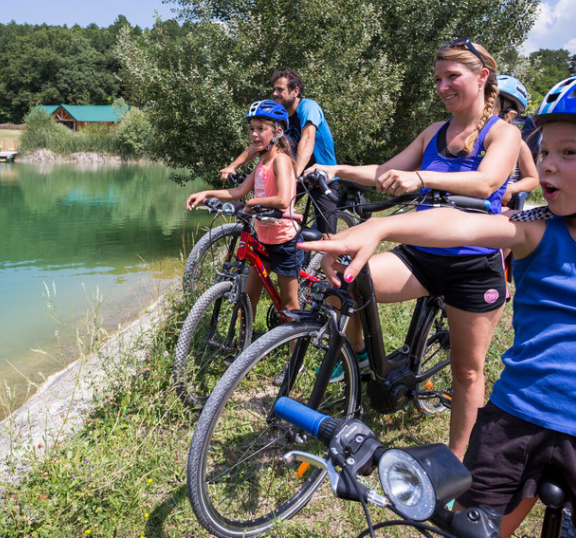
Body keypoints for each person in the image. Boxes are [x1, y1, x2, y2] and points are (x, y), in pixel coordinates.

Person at [301, 70, 576, 538]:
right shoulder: (535, 229)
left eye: (569, 152)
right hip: (516, 419)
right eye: (544, 151)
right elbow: (461, 224)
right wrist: (380, 229)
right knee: (466, 529)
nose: (546, 167)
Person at [306, 38, 521, 459]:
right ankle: (363, 358)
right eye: (437, 79)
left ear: (482, 78)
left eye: (451, 77)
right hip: (421, 255)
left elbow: (486, 183)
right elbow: (385, 172)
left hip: (473, 265)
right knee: (349, 282)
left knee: (467, 370)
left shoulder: (504, 133)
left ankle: (457, 463)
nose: (442, 87)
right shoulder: (433, 133)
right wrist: (336, 168)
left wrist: (422, 178)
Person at [188, 100, 304, 321]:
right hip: (263, 240)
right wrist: (206, 194)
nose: (254, 134)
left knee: (289, 306)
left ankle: (294, 353)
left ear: (278, 131)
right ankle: (242, 348)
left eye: (261, 129)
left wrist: (253, 203)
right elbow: (239, 191)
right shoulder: (261, 163)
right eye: (251, 129)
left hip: (285, 242)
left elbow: (283, 199)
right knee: (249, 298)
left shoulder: (281, 161)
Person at [220, 69, 339, 233]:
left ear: (295, 91)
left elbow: (308, 138)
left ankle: (338, 255)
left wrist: (296, 174)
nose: (275, 93)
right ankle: (294, 249)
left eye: (280, 90)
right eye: (274, 89)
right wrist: (232, 166)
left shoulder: (308, 107)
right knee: (269, 213)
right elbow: (258, 143)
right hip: (295, 175)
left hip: (322, 177)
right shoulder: (279, 117)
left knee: (328, 238)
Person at [495, 75, 539, 208]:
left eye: (488, 108)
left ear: (509, 115)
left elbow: (532, 179)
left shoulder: (518, 145)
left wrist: (510, 189)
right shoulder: (473, 138)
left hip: (501, 203)